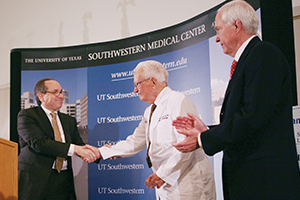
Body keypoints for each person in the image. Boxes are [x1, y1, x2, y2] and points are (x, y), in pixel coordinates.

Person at [172, 0, 300, 199]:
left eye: (218, 30)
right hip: (253, 180)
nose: (216, 39)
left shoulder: (263, 54)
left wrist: (202, 139)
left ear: (236, 26)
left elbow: (253, 117)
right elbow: (246, 118)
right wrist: (207, 131)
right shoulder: (250, 59)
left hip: (265, 183)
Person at [85, 60, 216, 200]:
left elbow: (187, 145)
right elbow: (135, 142)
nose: (135, 90)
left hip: (188, 184)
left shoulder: (178, 101)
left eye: (137, 84)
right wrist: (101, 152)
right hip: (166, 185)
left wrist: (163, 175)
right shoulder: (150, 111)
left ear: (153, 82)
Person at [17, 78, 98, 200]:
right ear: (41, 96)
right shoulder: (27, 116)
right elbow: (39, 143)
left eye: (62, 92)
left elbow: (79, 146)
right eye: (56, 92)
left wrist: (99, 152)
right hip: (35, 181)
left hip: (63, 181)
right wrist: (76, 149)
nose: (61, 96)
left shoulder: (69, 120)